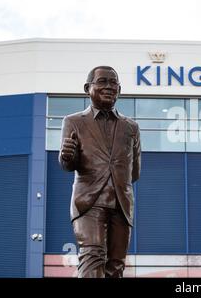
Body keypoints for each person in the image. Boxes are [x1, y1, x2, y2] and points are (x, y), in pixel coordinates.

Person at [59, 66, 141, 278]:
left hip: (121, 203)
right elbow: (68, 165)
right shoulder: (74, 122)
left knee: (116, 265)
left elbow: (135, 172)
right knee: (93, 255)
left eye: (113, 83)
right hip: (89, 201)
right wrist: (67, 156)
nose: (109, 87)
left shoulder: (131, 127)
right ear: (88, 88)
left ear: (119, 89)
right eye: (102, 81)